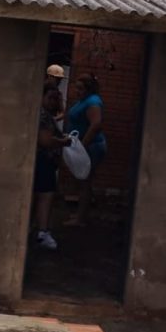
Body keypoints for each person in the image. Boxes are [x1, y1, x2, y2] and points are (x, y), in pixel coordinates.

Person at [65, 73, 106, 227]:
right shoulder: (84, 101)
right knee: (82, 180)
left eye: (81, 89)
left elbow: (96, 125)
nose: (77, 91)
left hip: (91, 147)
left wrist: (81, 146)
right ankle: (81, 214)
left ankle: (80, 219)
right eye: (76, 88)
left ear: (89, 89)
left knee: (85, 182)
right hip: (83, 146)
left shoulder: (93, 102)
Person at [33, 86, 70, 249]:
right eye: (51, 98)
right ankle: (42, 232)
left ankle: (40, 229)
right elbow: (45, 141)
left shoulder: (48, 115)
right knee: (45, 195)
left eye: (56, 99)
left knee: (44, 194)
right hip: (43, 160)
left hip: (46, 161)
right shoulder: (42, 115)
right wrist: (63, 142)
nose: (54, 102)